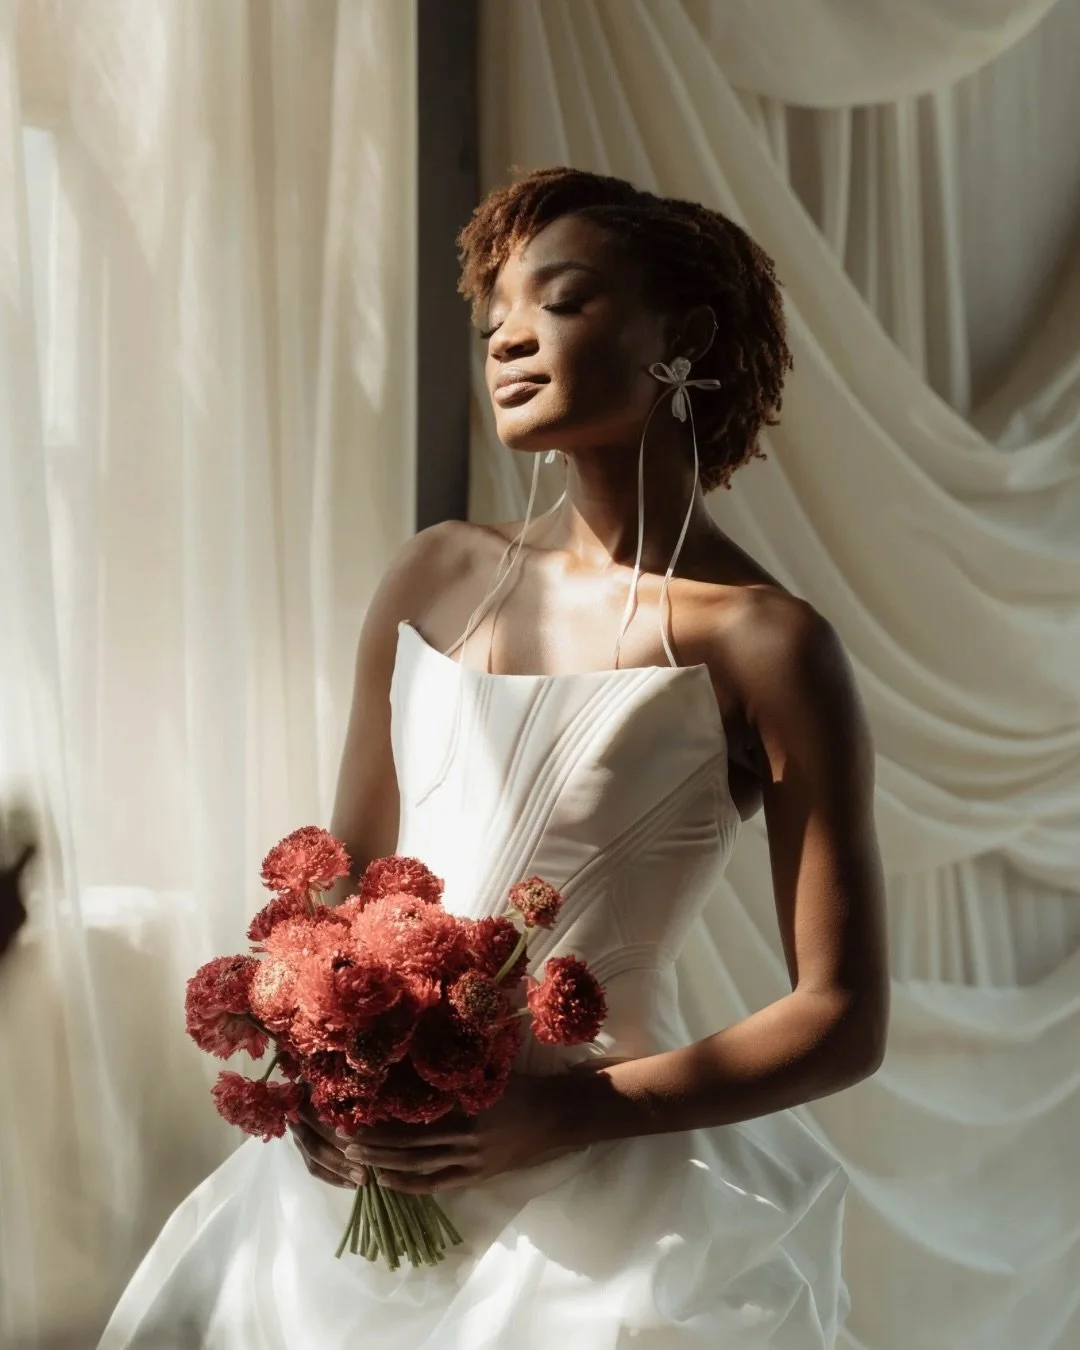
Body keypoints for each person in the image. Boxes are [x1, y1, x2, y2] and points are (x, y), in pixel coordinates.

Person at [98, 166, 888, 1348]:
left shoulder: (768, 643)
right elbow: (341, 896)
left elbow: (842, 1014)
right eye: (494, 318)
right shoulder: (435, 574)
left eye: (561, 301)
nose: (509, 337)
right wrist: (321, 1082)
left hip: (604, 1196)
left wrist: (561, 1116)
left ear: (688, 335)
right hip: (359, 1185)